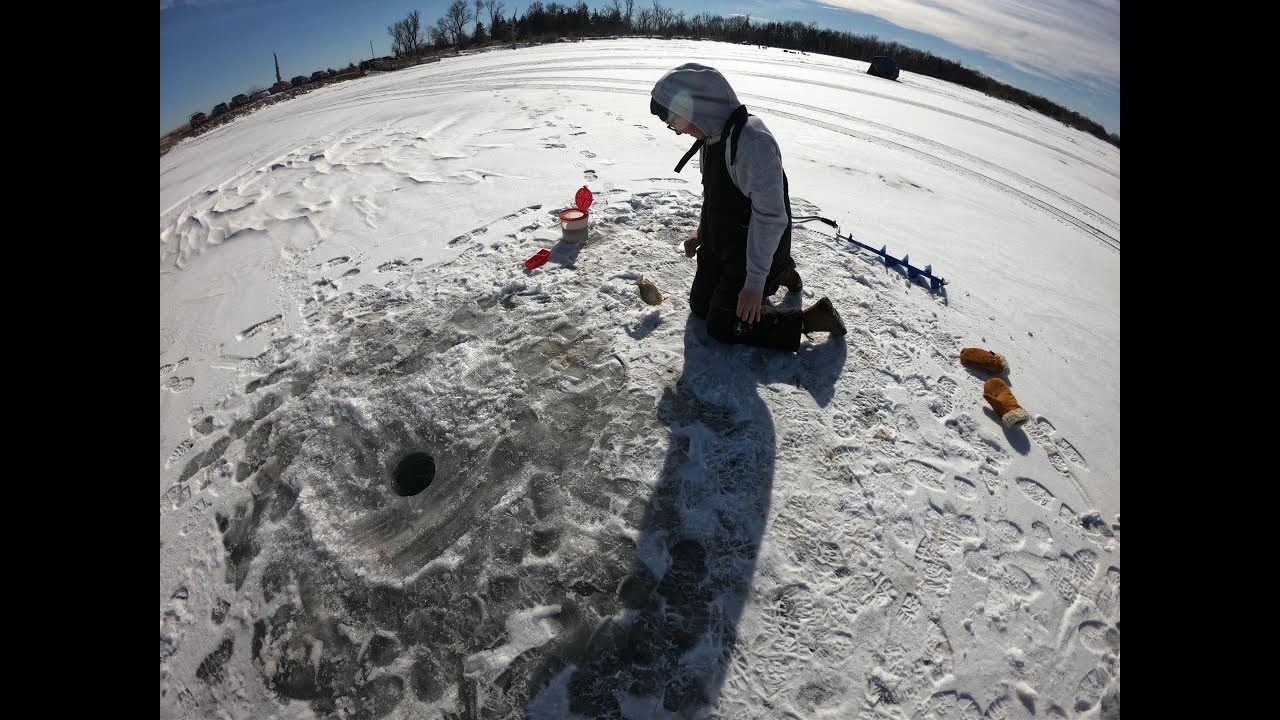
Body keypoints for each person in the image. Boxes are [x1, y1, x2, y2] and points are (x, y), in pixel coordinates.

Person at [650, 63, 846, 352]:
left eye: (676, 122)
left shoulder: (752, 142)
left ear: (699, 109)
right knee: (700, 306)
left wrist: (754, 284)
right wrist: (701, 235)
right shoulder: (711, 137)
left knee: (722, 324)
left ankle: (809, 316)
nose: (678, 133)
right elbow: (715, 200)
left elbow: (770, 218)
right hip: (726, 244)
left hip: (755, 247)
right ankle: (779, 274)